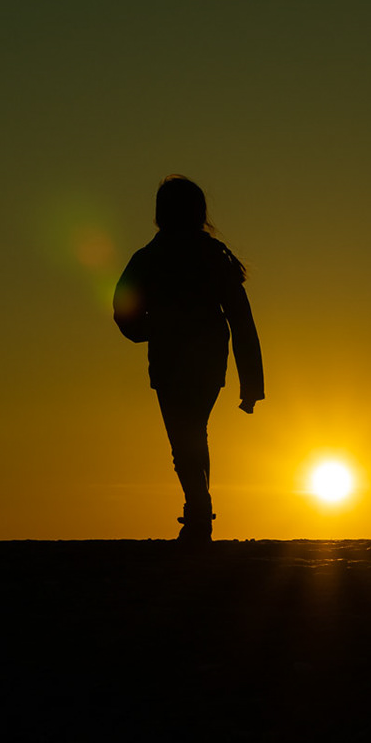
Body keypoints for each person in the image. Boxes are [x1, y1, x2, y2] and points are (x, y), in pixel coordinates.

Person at [113, 176, 264, 543]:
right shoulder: (211, 255)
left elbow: (124, 312)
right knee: (192, 434)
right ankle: (198, 512)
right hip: (201, 358)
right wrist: (251, 384)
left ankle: (198, 513)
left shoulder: (151, 257)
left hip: (176, 359)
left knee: (186, 437)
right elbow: (241, 318)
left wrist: (153, 329)